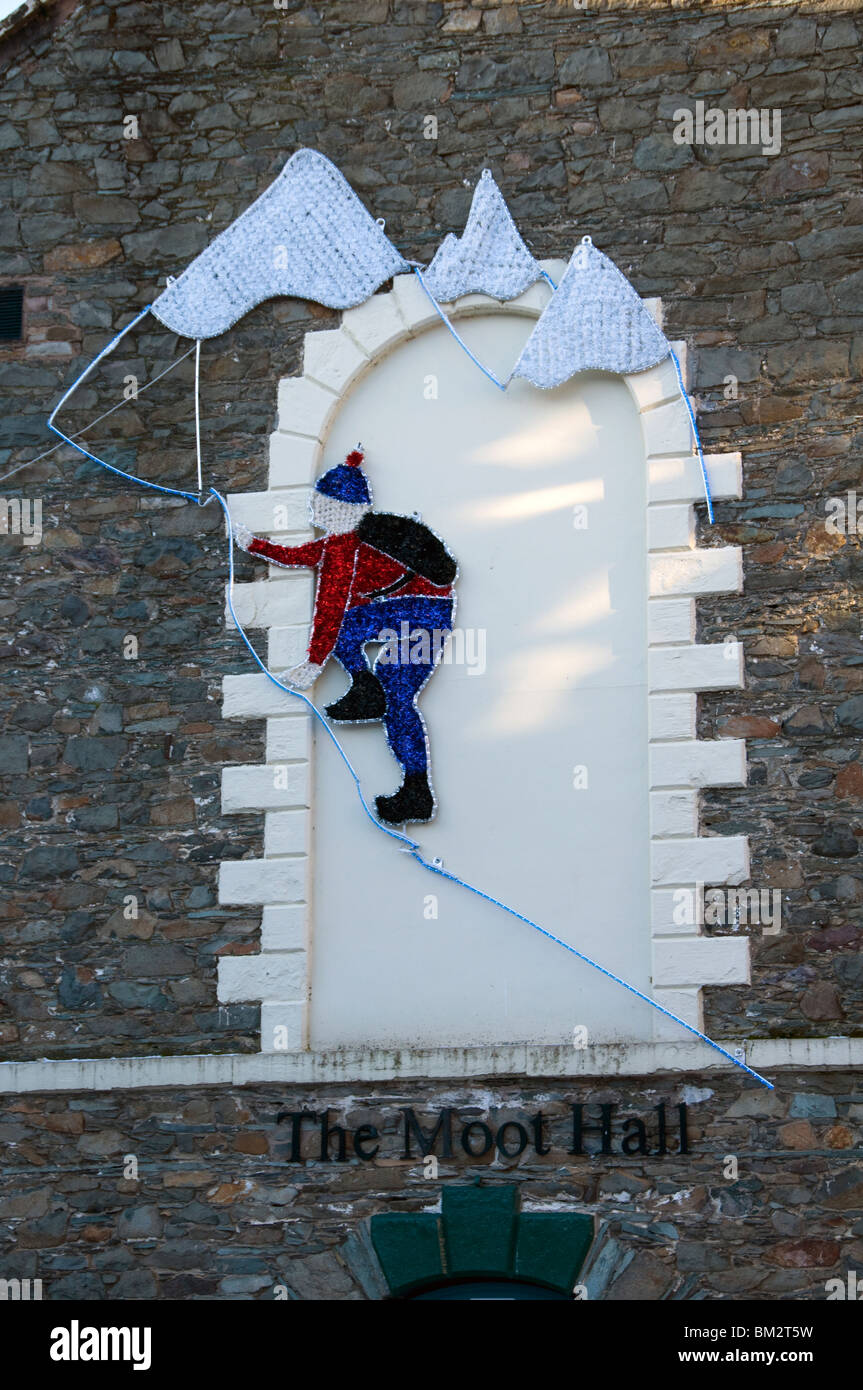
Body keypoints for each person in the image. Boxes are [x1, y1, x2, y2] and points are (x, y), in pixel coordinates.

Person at [235, 448, 457, 825]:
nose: (318, 513)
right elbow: (299, 556)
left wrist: (314, 662)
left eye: (322, 506)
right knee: (398, 697)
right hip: (433, 613)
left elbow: (330, 610)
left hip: (421, 614)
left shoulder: (346, 548)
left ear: (335, 507)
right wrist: (256, 545)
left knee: (352, 636)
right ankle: (415, 786)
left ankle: (368, 693)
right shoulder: (340, 544)